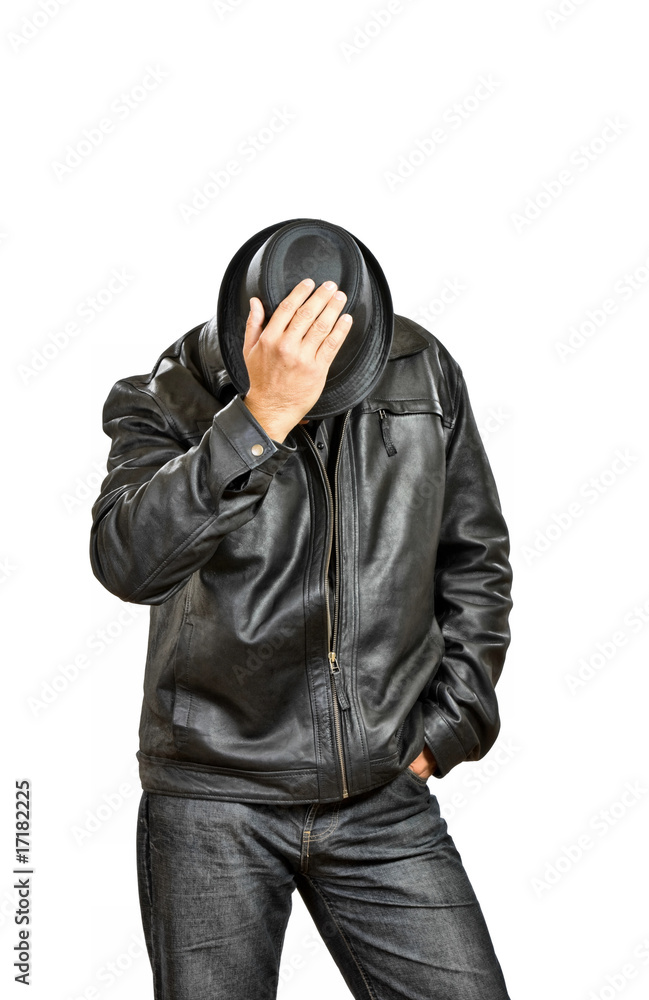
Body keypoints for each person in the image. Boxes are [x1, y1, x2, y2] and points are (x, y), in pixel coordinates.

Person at [89, 219, 513, 999]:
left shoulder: (420, 371)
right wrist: (260, 419)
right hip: (214, 802)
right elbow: (128, 562)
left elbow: (474, 559)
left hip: (380, 791)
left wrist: (448, 728)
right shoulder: (167, 394)